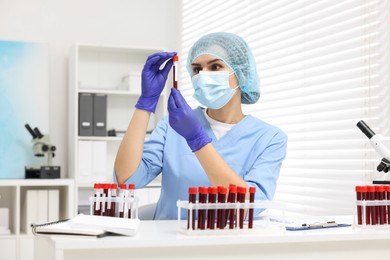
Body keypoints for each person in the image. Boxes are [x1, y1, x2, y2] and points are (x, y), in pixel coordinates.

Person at [114, 32, 288, 220]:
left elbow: (248, 207)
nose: (204, 76)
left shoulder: (269, 138)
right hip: (168, 244)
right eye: (197, 69)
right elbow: (127, 178)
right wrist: (146, 103)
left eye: (215, 66)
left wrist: (196, 139)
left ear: (241, 73)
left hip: (225, 245)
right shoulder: (173, 125)